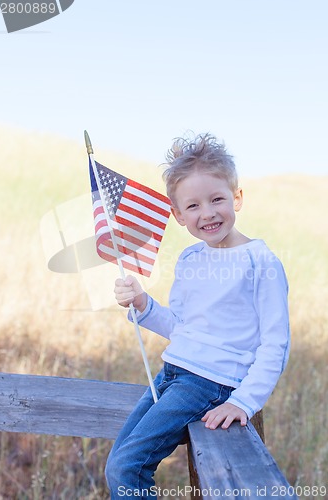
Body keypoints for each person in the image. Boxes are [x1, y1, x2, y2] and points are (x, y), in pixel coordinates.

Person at [105, 133, 290, 499]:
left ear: (237, 198)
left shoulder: (260, 262)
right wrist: (144, 305)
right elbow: (183, 328)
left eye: (217, 199)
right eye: (192, 206)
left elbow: (275, 344)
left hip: (209, 384)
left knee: (128, 468)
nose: (207, 213)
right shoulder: (191, 259)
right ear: (177, 214)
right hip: (171, 375)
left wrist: (243, 401)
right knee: (118, 463)